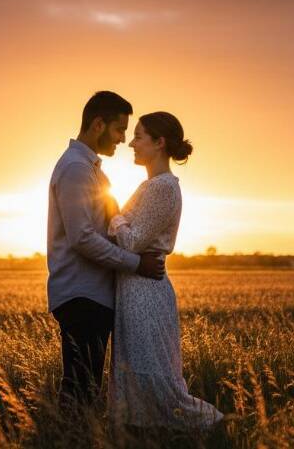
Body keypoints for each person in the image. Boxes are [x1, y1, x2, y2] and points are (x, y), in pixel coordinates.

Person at [47, 91, 166, 408]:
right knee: (80, 391)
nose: (123, 139)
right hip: (82, 295)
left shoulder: (90, 169)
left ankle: (72, 438)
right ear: (98, 124)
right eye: (119, 129)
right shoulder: (76, 169)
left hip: (89, 294)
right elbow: (83, 238)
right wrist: (136, 263)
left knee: (83, 388)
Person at [108, 111, 223, 431]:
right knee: (137, 370)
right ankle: (145, 435)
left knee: (153, 374)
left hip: (145, 290)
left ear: (159, 143)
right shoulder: (152, 185)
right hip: (135, 287)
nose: (131, 142)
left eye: (139, 136)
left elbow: (131, 242)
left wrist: (112, 212)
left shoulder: (162, 187)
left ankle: (214, 426)